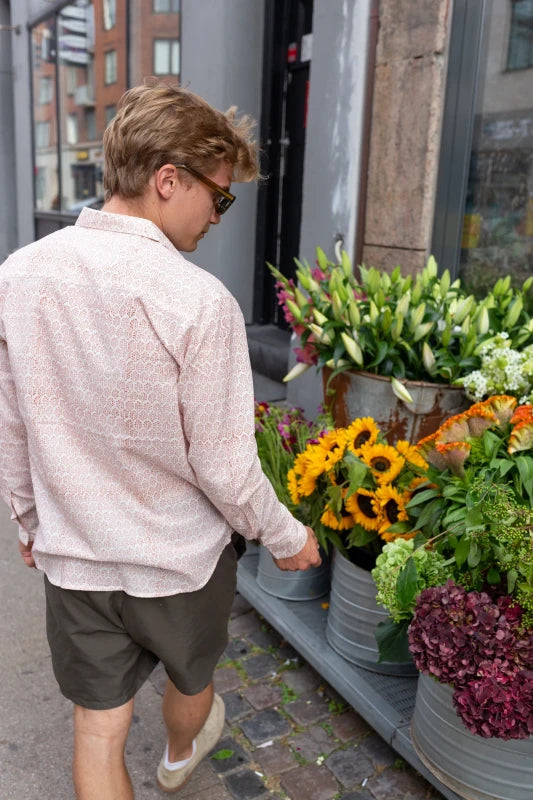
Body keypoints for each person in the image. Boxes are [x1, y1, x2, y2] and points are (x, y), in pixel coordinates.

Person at [0, 81, 321, 799]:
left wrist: (28, 518)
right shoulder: (198, 301)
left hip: (77, 556)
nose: (218, 213)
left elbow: (12, 422)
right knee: (193, 677)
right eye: (219, 195)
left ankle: (172, 756)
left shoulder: (17, 278)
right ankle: (179, 759)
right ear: (166, 179)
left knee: (96, 732)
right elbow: (224, 465)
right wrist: (285, 535)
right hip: (178, 561)